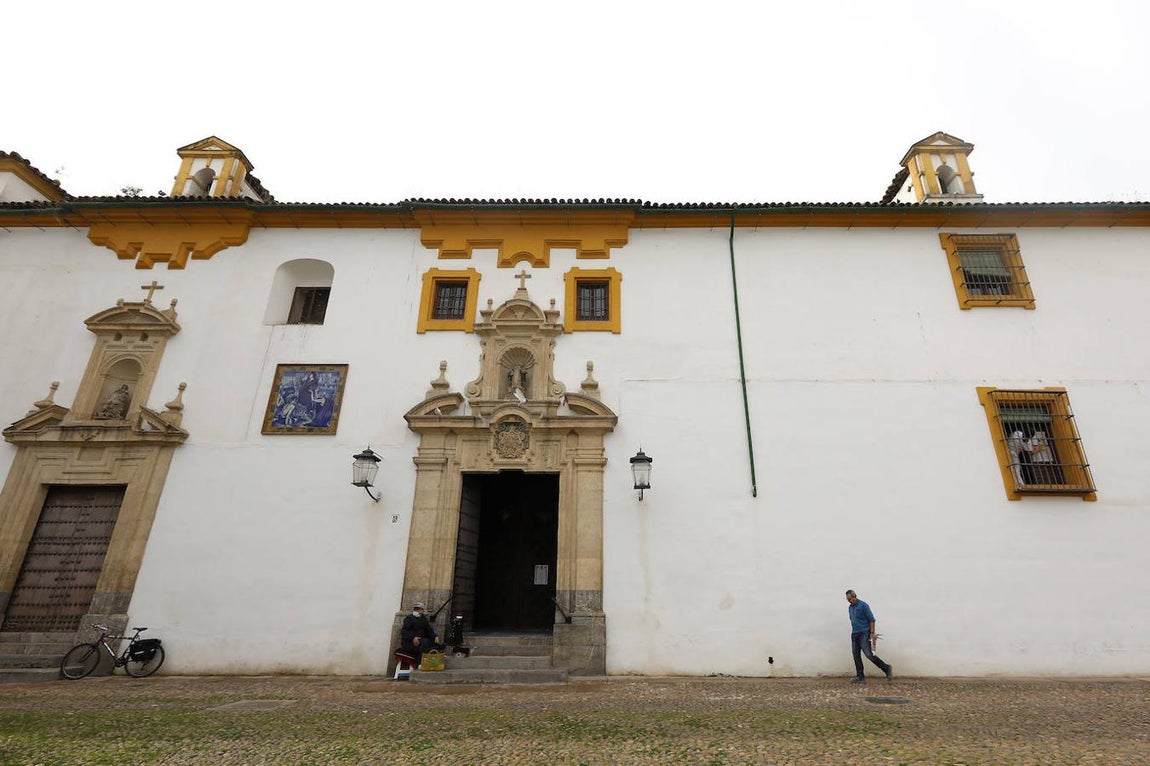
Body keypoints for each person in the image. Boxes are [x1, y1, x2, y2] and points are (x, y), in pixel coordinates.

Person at [845, 589, 893, 683]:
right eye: (848, 599)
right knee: (856, 655)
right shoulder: (850, 607)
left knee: (869, 654)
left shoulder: (863, 605)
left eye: (850, 599)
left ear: (855, 596)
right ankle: (860, 677)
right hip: (855, 634)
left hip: (864, 633)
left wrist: (872, 633)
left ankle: (886, 668)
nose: (849, 601)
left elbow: (872, 620)